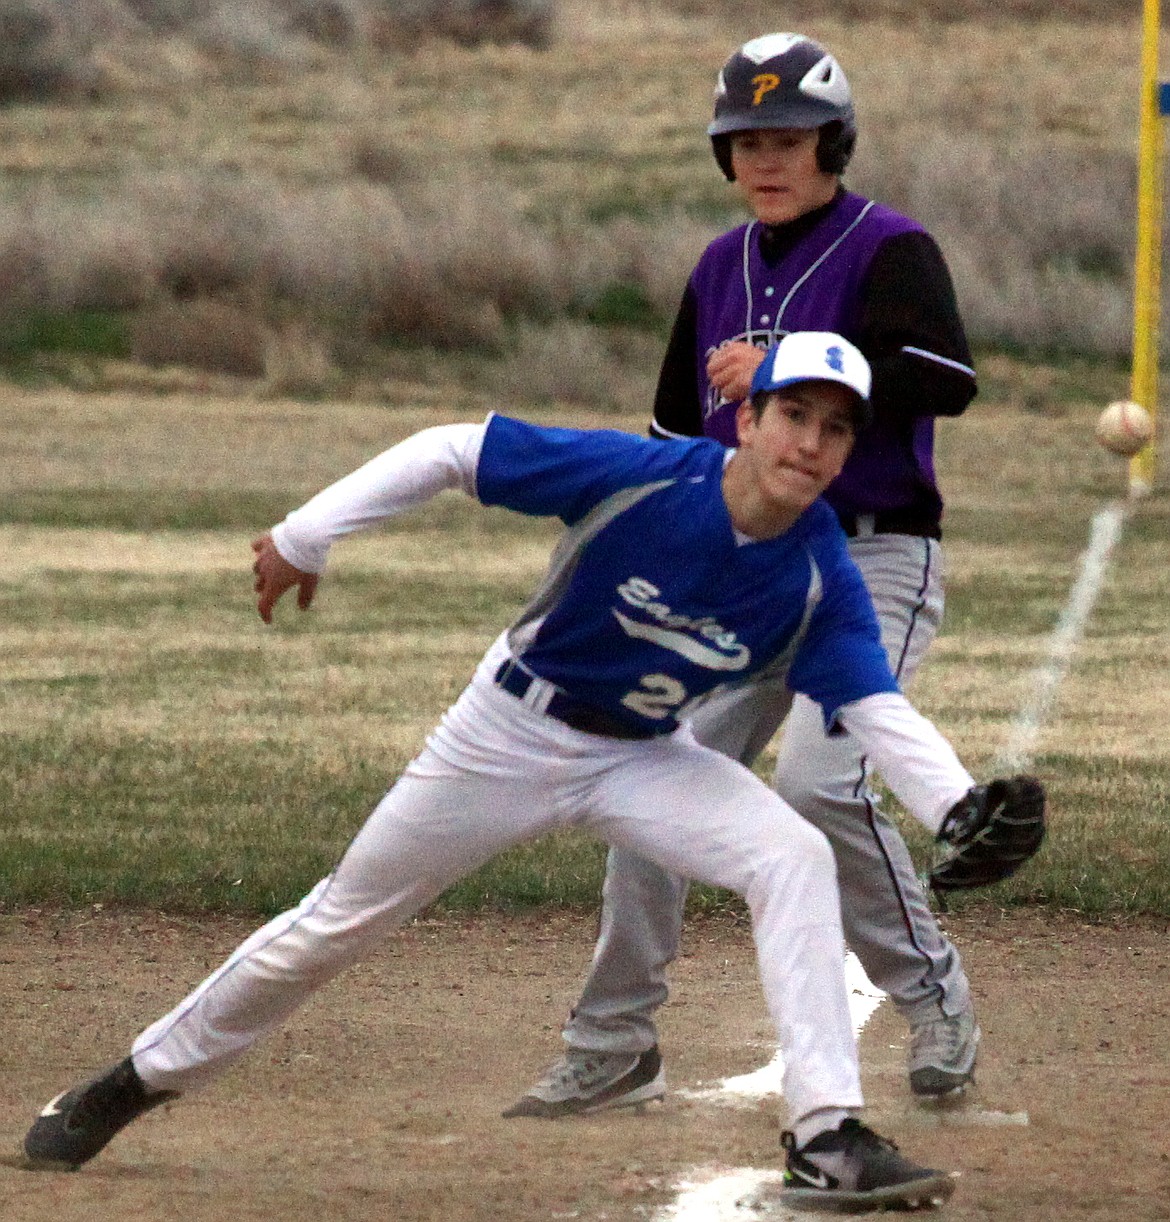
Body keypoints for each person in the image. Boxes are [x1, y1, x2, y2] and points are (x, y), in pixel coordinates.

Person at [21, 334, 1040, 1210]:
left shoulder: (820, 574)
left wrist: (956, 807)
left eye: (835, 429)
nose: (810, 444)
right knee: (335, 923)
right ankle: (129, 1082)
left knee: (793, 855)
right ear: (750, 419)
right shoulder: (645, 477)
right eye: (794, 414)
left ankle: (825, 1137)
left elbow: (873, 707)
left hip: (643, 757)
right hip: (506, 735)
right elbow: (452, 452)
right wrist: (305, 534)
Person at [506, 32, 983, 1121]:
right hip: (743, 558)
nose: (767, 159)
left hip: (872, 550)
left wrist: (787, 363)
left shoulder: (890, 246)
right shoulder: (719, 268)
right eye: (745, 141)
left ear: (833, 142)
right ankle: (614, 1040)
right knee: (648, 777)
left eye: (791, 138)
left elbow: (943, 376)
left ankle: (935, 995)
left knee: (820, 783)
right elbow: (673, 436)